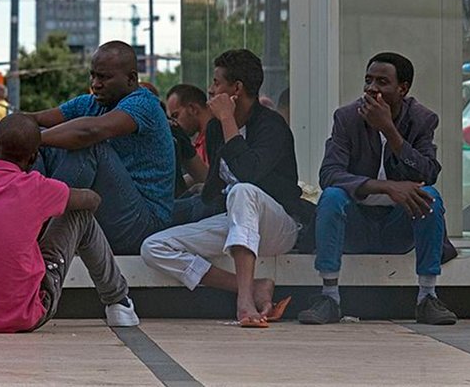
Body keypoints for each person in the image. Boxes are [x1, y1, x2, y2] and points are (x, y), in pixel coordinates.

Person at [141, 50, 303, 327]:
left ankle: (244, 304)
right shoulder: (216, 128)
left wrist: (228, 119)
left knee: (243, 191)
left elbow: (246, 174)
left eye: (216, 83)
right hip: (237, 222)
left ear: (236, 89)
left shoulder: (271, 126)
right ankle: (252, 286)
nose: (211, 89)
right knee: (154, 246)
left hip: (279, 226)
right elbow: (215, 188)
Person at [297, 52, 457, 326]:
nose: (372, 88)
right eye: (368, 80)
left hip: (398, 227)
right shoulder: (347, 118)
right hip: (356, 226)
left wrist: (390, 131)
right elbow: (330, 174)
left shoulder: (421, 119)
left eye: (382, 82)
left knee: (430, 197)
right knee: (331, 197)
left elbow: (428, 173)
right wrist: (388, 187)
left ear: (402, 89)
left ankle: (427, 297)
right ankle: (329, 297)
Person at [0, 114, 139, 332]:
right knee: (79, 213)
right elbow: (91, 200)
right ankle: (119, 302)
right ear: (35, 157)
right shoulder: (36, 187)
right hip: (22, 315)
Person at [28, 40, 175, 255]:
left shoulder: (144, 104)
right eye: (93, 75)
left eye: (104, 77)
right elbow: (37, 119)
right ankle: (9, 207)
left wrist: (31, 139)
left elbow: (91, 132)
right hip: (111, 213)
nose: (95, 84)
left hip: (142, 224)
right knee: (4, 131)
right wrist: (6, 130)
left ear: (131, 78)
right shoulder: (89, 103)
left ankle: (35, 223)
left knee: (90, 148)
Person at [166, 84, 212, 167]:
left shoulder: (215, 137)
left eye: (176, 116)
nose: (175, 123)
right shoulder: (201, 141)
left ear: (192, 109)